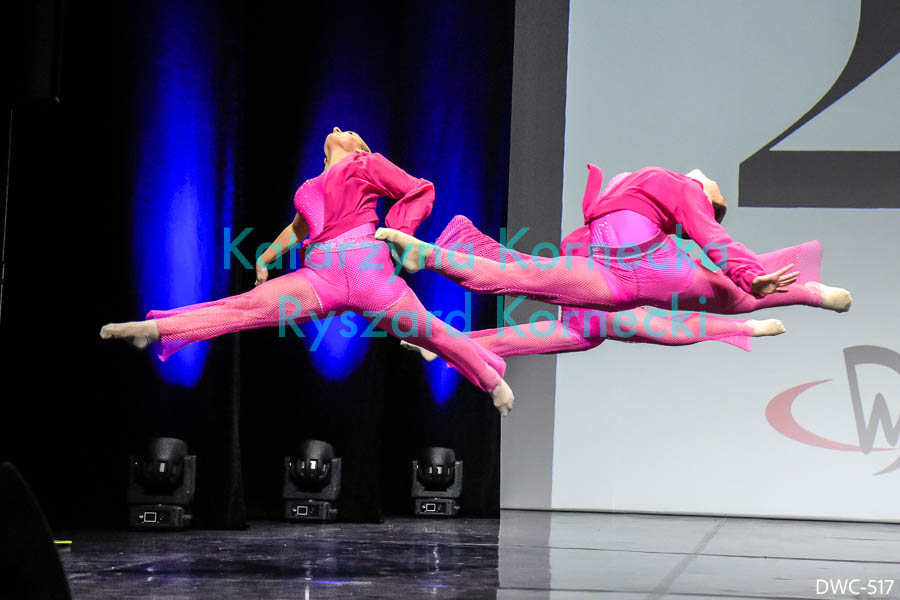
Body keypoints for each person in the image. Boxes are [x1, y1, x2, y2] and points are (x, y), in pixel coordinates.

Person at [100, 127, 515, 416]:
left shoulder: (366, 164)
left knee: (432, 332)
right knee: (243, 308)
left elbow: (420, 189)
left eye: (348, 132)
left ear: (359, 148)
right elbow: (299, 229)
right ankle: (155, 330)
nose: (338, 129)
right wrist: (266, 256)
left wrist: (402, 234)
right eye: (338, 131)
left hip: (368, 271)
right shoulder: (311, 187)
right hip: (320, 277)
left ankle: (492, 381)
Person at [374, 164, 852, 319]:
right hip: (629, 271)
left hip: (633, 272)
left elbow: (710, 234)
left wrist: (746, 274)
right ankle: (427, 255)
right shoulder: (674, 186)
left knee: (514, 277)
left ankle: (808, 291)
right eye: (716, 199)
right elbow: (710, 232)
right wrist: (747, 274)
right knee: (516, 279)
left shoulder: (652, 189)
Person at [398, 213, 787, 362]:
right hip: (598, 301)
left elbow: (684, 327)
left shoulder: (619, 301)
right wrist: (747, 326)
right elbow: (682, 329)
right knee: (517, 277)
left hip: (591, 314)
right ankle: (440, 254)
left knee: (520, 287)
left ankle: (446, 342)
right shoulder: (633, 297)